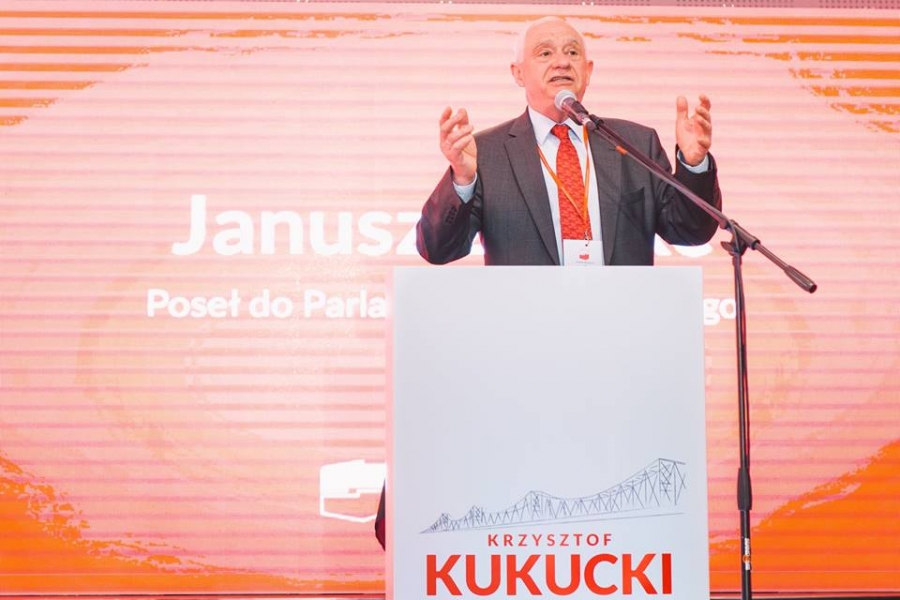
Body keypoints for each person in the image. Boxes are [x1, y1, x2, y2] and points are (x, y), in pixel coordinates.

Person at [416, 16, 722, 266]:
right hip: (526, 319)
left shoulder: (635, 144)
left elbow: (691, 231)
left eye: (573, 53)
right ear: (518, 73)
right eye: (545, 53)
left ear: (588, 72)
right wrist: (463, 180)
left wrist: (694, 166)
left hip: (621, 316)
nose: (562, 62)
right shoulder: (488, 152)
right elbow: (437, 250)